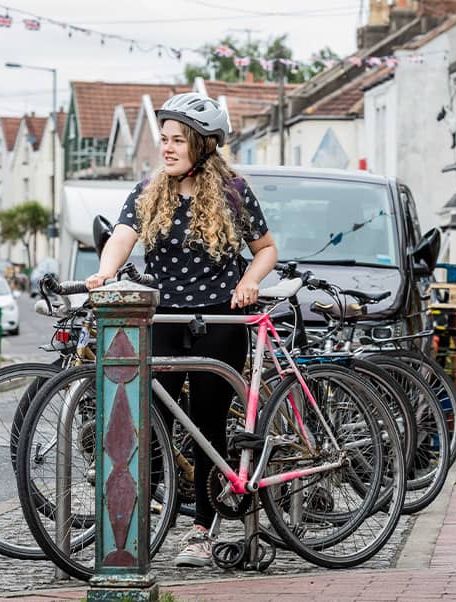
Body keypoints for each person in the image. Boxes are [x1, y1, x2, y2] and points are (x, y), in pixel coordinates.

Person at [85, 92, 277, 567]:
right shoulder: (152, 189)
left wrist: (250, 282)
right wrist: (106, 272)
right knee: (149, 426)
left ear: (203, 145)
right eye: (164, 139)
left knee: (208, 426)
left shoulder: (232, 190)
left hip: (218, 318)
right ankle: (142, 523)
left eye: (177, 140)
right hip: (164, 317)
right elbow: (122, 237)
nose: (167, 148)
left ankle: (203, 529)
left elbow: (266, 248)